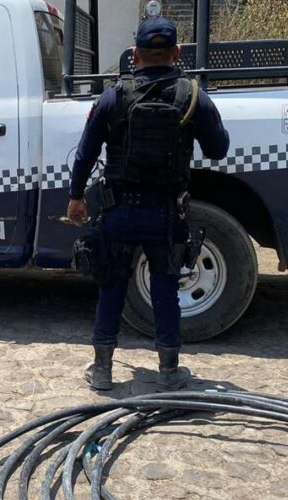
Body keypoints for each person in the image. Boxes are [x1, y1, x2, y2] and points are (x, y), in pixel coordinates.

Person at [68, 16, 229, 392]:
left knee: (112, 285)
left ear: (135, 56)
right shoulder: (193, 96)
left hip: (119, 209)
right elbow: (218, 149)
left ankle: (103, 369)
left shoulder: (113, 96)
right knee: (164, 287)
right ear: (176, 53)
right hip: (166, 211)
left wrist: (76, 197)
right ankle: (169, 370)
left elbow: (85, 153)